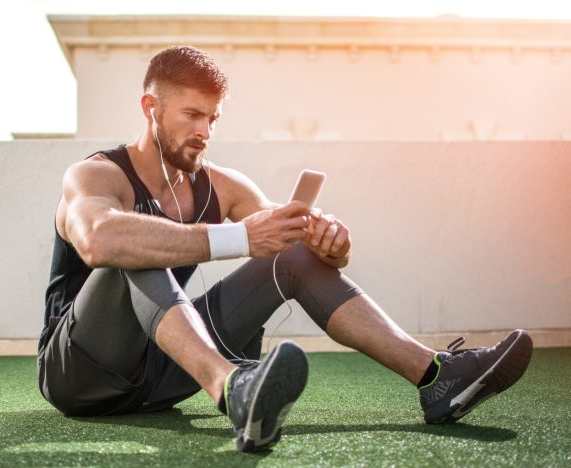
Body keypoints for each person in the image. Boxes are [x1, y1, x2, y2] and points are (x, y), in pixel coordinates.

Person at [38, 45, 533, 452]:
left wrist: (329, 244)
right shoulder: (96, 174)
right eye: (191, 115)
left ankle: (434, 377)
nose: (204, 132)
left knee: (290, 257)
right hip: (79, 374)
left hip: (160, 378)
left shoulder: (219, 185)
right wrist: (238, 237)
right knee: (134, 245)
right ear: (152, 108)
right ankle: (235, 391)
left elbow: (282, 235)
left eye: (212, 118)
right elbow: (98, 238)